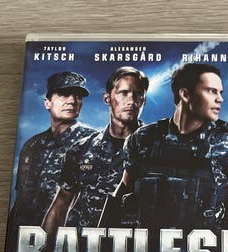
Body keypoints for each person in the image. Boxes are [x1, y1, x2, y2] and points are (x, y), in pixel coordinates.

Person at [106, 63, 228, 232]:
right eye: (211, 91)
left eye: (220, 92)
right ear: (185, 94)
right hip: (149, 249)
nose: (220, 99)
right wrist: (100, 240)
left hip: (205, 249)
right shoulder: (143, 139)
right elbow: (124, 189)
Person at [42, 66, 149, 236]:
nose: (131, 101)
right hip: (87, 247)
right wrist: (44, 248)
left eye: (137, 94)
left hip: (138, 246)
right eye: (123, 93)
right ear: (107, 98)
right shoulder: (81, 150)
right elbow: (59, 208)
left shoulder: (158, 148)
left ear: (144, 100)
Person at [10, 71, 95, 227]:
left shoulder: (93, 143)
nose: (72, 101)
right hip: (27, 236)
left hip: (67, 237)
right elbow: (20, 201)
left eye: (78, 96)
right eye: (64, 94)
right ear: (47, 103)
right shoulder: (32, 145)